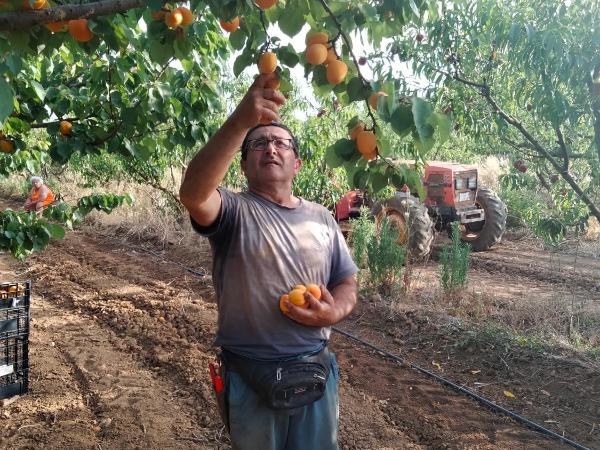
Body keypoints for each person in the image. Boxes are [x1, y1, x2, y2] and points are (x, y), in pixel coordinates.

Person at [179, 72, 358, 450]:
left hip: (315, 367)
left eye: (281, 143)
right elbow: (193, 192)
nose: (271, 149)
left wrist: (333, 313)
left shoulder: (323, 218)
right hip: (249, 374)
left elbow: (346, 282)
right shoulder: (233, 210)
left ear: (297, 163)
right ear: (243, 166)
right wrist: (241, 121)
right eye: (258, 144)